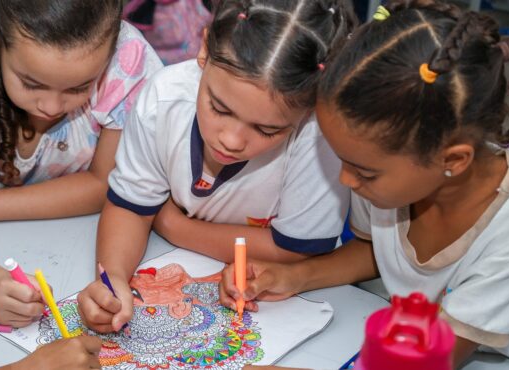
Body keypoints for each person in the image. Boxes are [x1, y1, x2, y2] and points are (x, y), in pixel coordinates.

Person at [219, 1, 509, 369]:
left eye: (363, 172)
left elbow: (438, 356)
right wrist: (293, 276)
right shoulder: (387, 176)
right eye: (343, 161)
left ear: (452, 160)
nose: (346, 180)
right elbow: (378, 250)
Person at [78, 0, 357, 334]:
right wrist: (113, 280)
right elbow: (130, 208)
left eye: (267, 130)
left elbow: (294, 249)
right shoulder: (163, 100)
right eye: (220, 109)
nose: (232, 140)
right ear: (205, 50)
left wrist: (170, 224)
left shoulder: (317, 136)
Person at [0, 0, 162, 327]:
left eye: (79, 87)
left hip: (83, 234)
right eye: (31, 83)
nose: (50, 106)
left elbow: (103, 184)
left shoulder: (129, 62)